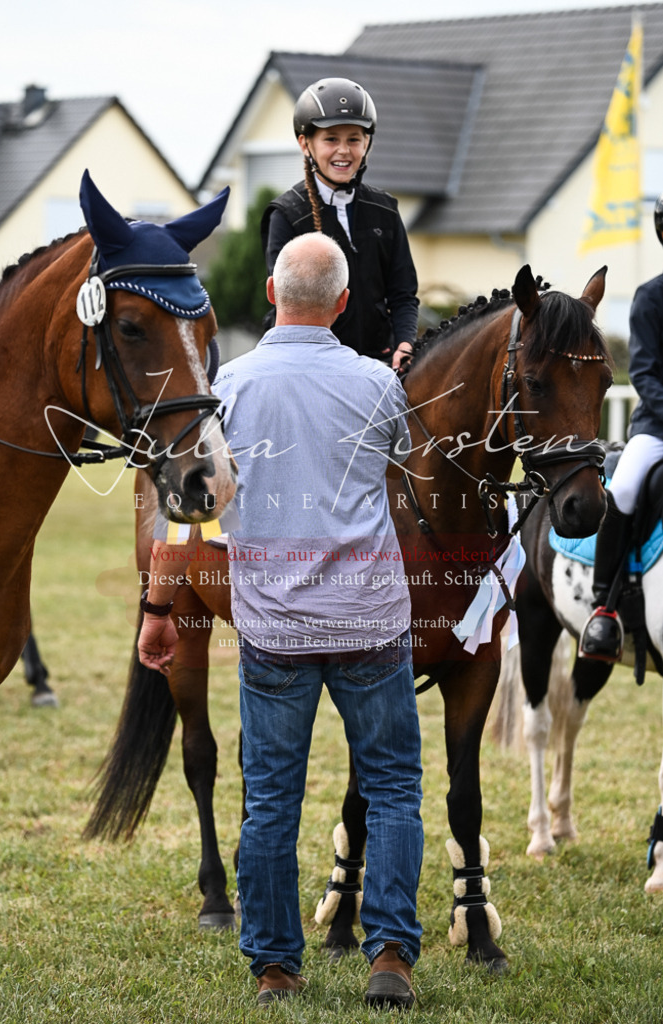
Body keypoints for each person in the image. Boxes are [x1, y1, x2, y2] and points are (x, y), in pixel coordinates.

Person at [138, 232, 423, 1009]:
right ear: (342, 303)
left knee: (270, 801)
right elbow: (396, 472)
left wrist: (158, 607)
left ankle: (274, 967)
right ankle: (389, 955)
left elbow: (189, 511)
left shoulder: (226, 387)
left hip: (275, 628)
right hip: (368, 622)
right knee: (393, 790)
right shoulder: (377, 383)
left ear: (270, 293)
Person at [261, 77, 419, 369]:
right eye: (331, 139)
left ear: (367, 143)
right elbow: (286, 304)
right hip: (311, 366)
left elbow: (403, 294)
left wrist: (405, 344)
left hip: (380, 364)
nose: (344, 150)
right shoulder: (286, 214)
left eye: (354, 140)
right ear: (305, 144)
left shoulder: (385, 209)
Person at [580, 194, 663, 662]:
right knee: (625, 488)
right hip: (658, 428)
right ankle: (603, 608)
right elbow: (645, 374)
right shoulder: (651, 297)